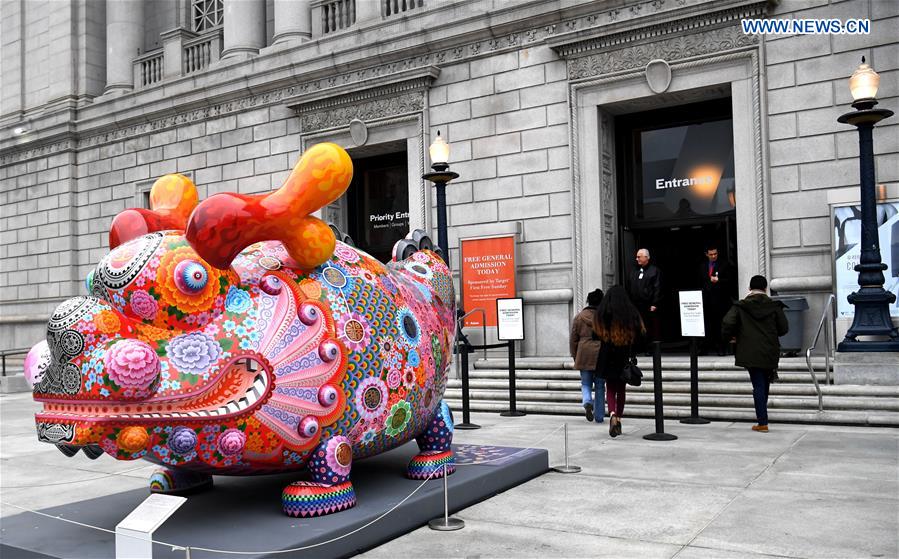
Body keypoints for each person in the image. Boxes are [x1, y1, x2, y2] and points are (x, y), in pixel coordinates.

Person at [721, 275, 788, 433]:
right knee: (764, 383)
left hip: (749, 350)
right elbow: (784, 329)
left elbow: (727, 323)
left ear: (750, 289)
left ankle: (762, 422)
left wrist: (731, 337)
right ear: (765, 289)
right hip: (770, 350)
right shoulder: (774, 306)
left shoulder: (741, 306)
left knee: (758, 384)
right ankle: (762, 419)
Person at [593, 285, 645, 438]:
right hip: (623, 354)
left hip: (607, 355)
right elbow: (640, 336)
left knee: (610, 387)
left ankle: (613, 414)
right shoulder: (631, 312)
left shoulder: (602, 313)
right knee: (621, 389)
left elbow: (594, 335)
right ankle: (619, 418)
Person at [569, 288, 604, 424]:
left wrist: (574, 355)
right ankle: (599, 416)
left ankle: (587, 401)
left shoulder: (579, 317)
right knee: (600, 385)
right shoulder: (603, 317)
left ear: (588, 301)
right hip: (600, 353)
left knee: (586, 383)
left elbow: (573, 339)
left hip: (584, 353)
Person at [698, 245, 733, 355]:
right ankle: (704, 348)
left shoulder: (724, 264)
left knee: (719, 325)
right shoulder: (703, 266)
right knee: (706, 325)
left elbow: (730, 280)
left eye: (715, 254)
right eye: (711, 254)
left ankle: (721, 348)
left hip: (720, 300)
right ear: (706, 254)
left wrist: (719, 280)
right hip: (706, 300)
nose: (713, 256)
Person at [625, 248, 662, 352]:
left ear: (646, 257)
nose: (637, 259)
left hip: (648, 305)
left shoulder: (654, 271)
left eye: (639, 257)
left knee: (649, 327)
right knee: (636, 327)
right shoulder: (634, 271)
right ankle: (638, 348)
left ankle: (649, 349)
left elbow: (657, 287)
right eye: (637, 257)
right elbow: (629, 286)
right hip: (635, 305)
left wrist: (655, 303)